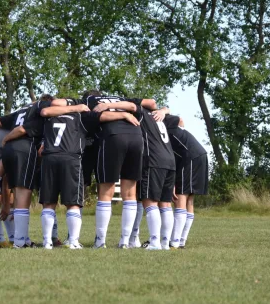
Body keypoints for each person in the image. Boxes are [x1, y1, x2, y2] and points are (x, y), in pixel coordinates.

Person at [53, 91, 156, 248]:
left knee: (106, 191)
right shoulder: (121, 99)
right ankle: (125, 242)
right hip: (136, 136)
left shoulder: (87, 100)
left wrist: (76, 105)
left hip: (113, 137)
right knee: (130, 193)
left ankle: (100, 241)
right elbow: (151, 102)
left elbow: (56, 103)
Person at [37, 102, 141, 249]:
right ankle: (73, 241)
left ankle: (47, 241)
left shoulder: (51, 115)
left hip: (49, 158)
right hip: (71, 158)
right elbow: (104, 116)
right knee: (73, 203)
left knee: (48, 203)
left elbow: (45, 111)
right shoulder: (81, 116)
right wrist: (124, 114)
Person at [1, 96, 54, 248]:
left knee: (18, 196)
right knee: (24, 196)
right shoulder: (42, 110)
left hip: (9, 150)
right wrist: (6, 138)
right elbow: (23, 129)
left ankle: (23, 239)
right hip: (24, 150)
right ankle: (20, 242)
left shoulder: (22, 110)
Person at [127, 105, 176, 250]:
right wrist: (165, 110)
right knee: (166, 205)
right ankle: (165, 243)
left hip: (154, 160)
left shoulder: (141, 114)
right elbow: (179, 120)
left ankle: (154, 242)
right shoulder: (159, 116)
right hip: (170, 160)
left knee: (150, 203)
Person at [161, 114, 208, 249]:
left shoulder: (160, 120)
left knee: (181, 197)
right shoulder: (166, 124)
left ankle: (175, 242)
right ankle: (181, 240)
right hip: (198, 154)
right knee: (189, 200)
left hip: (189, 156)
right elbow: (181, 120)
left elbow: (180, 119)